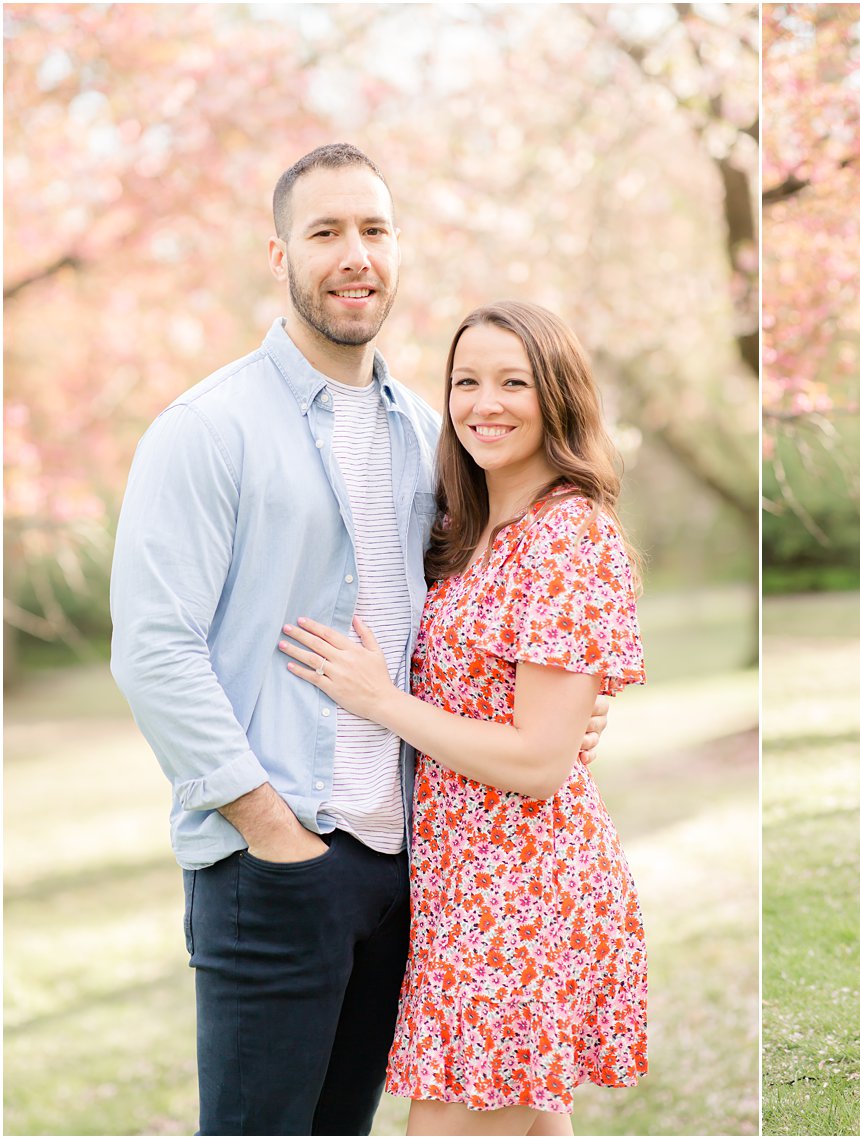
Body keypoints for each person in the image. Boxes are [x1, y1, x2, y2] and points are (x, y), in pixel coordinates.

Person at [109, 145, 605, 1134]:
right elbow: (155, 648)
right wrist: (268, 828)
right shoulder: (208, 430)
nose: (354, 256)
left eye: (374, 230)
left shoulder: (432, 434)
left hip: (404, 866)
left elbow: (481, 615)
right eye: (326, 231)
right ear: (279, 251)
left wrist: (557, 713)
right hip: (275, 862)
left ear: (398, 248)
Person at [277, 300, 647, 1136]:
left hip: (523, 893)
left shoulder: (567, 536)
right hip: (461, 888)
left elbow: (540, 762)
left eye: (514, 381)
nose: (486, 402)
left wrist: (382, 702)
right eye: (466, 380)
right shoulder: (466, 528)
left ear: (557, 396)